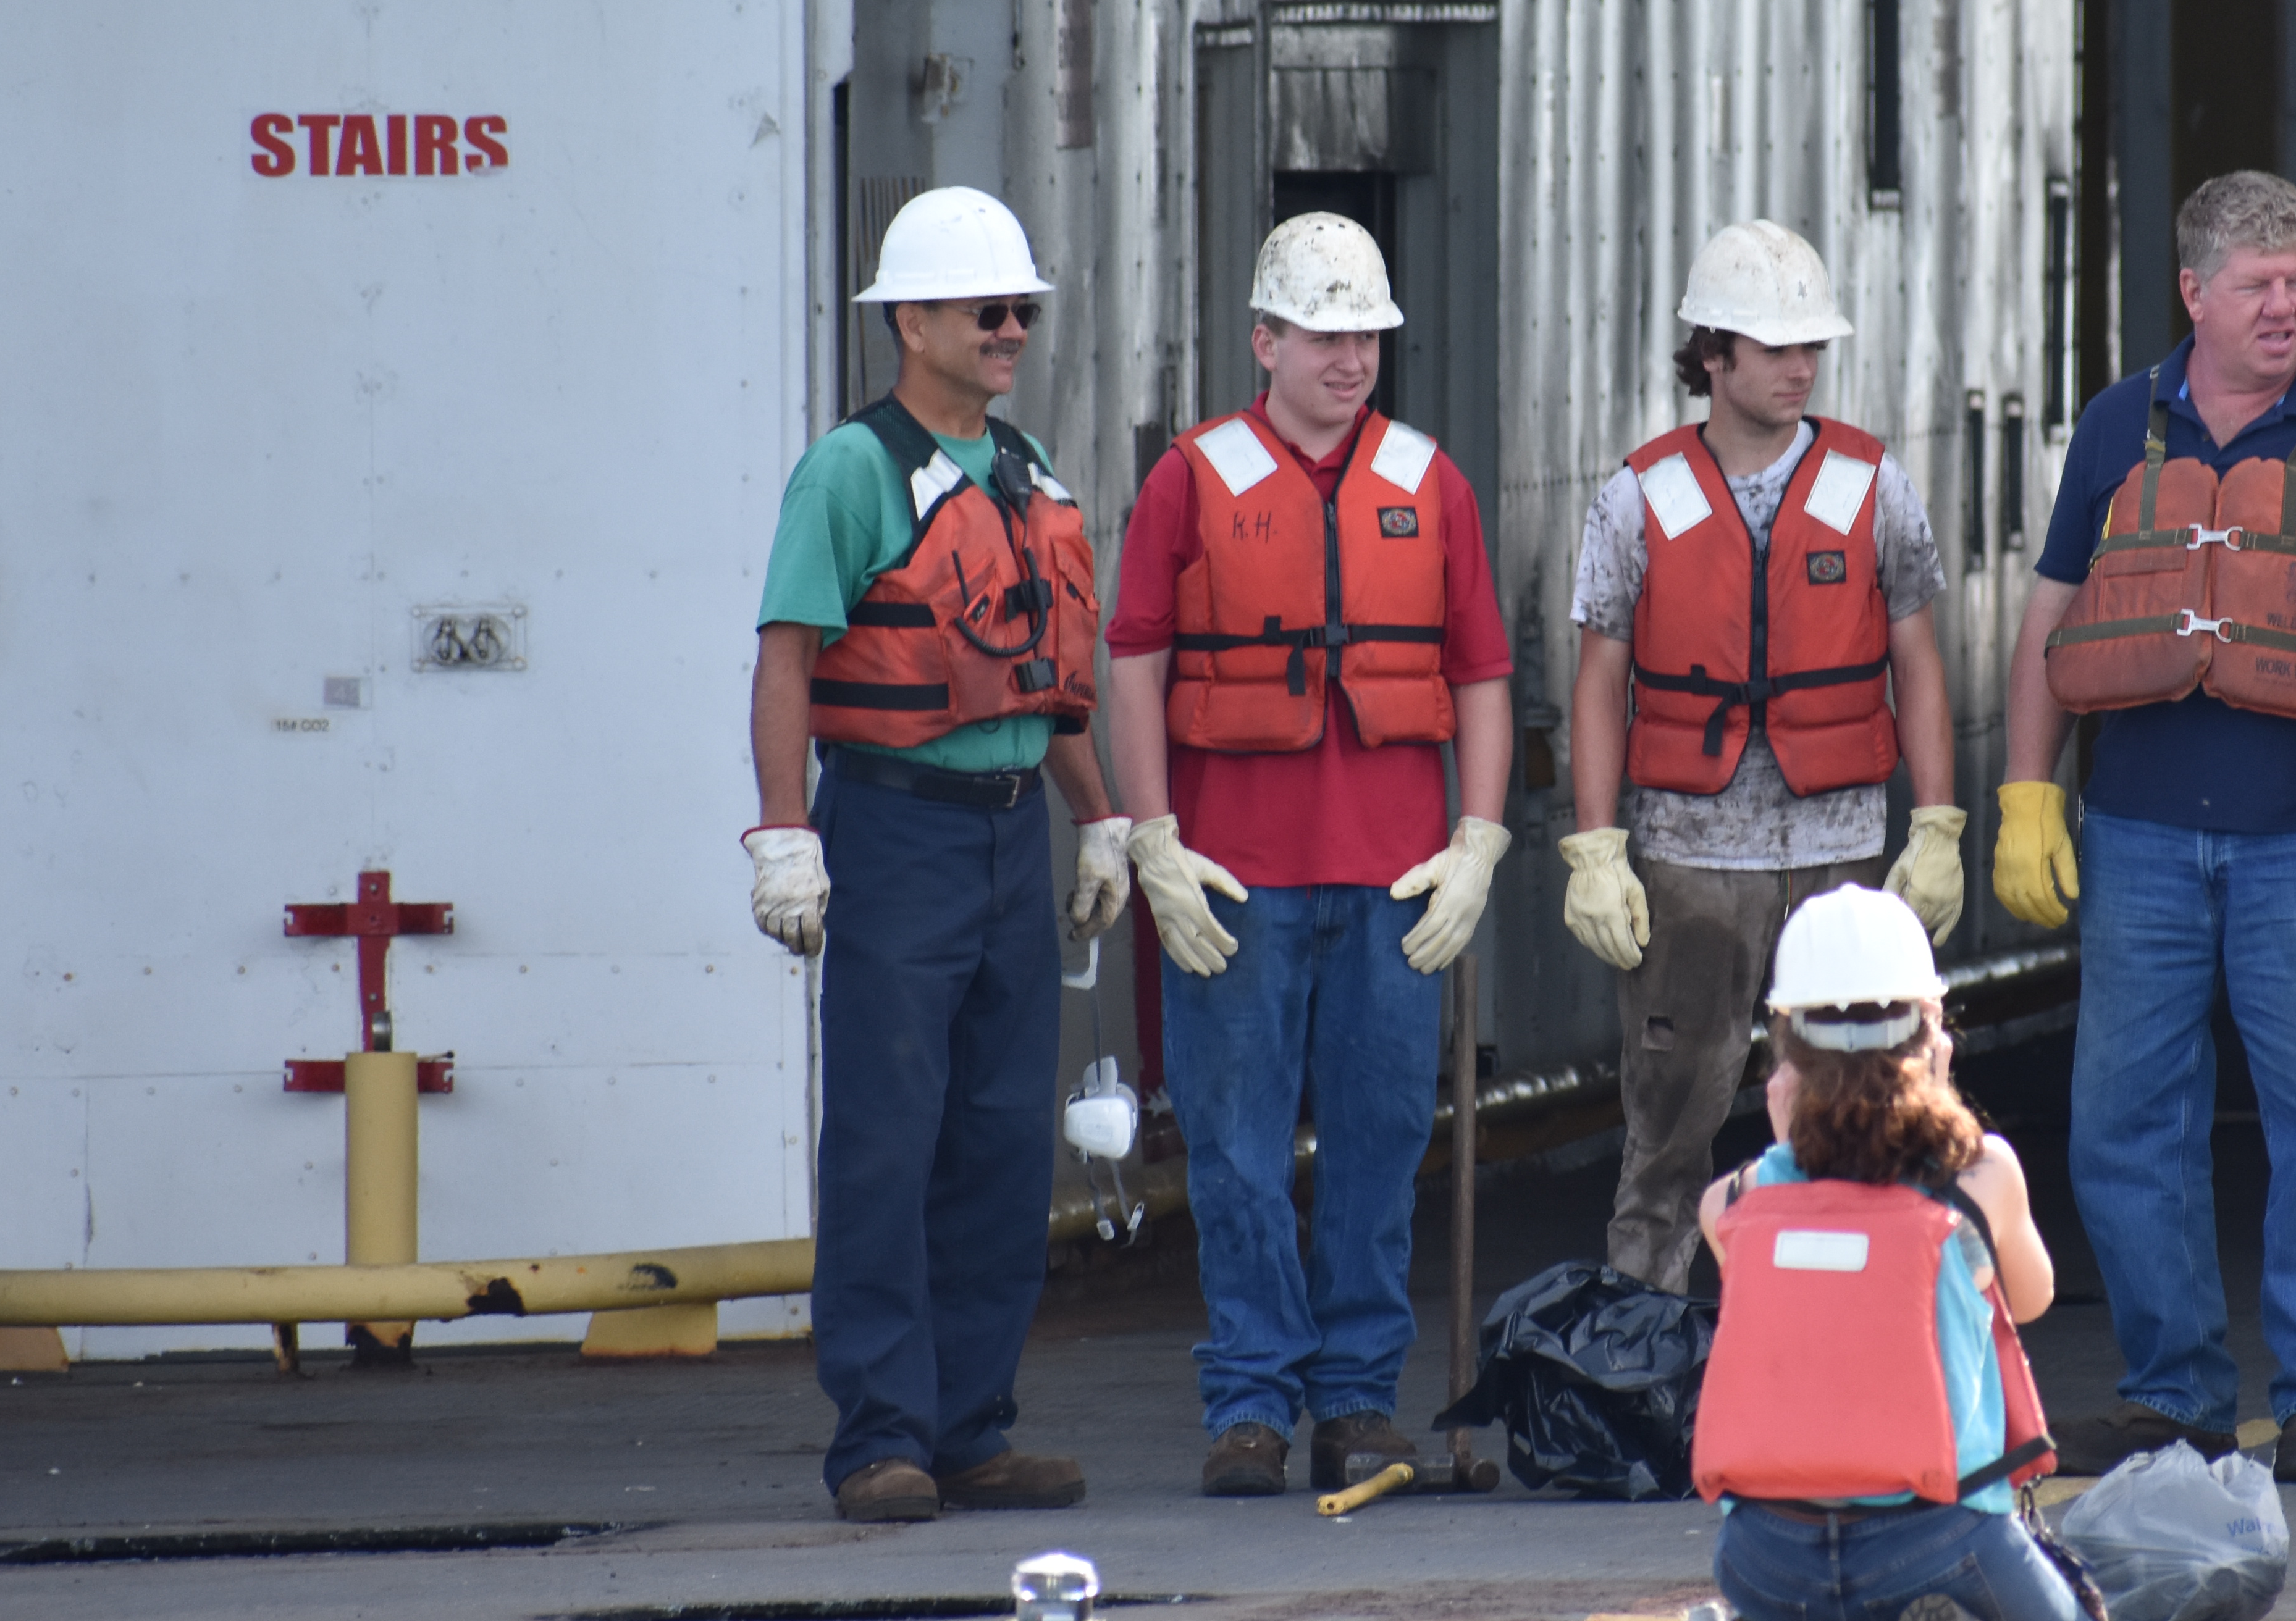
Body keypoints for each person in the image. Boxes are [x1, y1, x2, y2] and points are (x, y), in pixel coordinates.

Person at [1993, 170, 2296, 1488]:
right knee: (2122, 1122)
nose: (2283, 307)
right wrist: (2028, 792)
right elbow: (2049, 618)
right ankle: (2173, 1392)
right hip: (2142, 838)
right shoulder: (2117, 427)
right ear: (2193, 293)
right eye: (2258, 285)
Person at [1103, 212, 1517, 1496]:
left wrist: (1479, 839)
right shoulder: (1189, 478)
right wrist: (1152, 834)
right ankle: (1249, 1401)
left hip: (1396, 877)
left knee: (1383, 1137)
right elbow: (1132, 664)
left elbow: (1483, 674)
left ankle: (1354, 1397)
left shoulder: (1432, 481)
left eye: (1369, 335)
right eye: (1327, 333)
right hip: (1234, 875)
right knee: (1231, 1143)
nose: (1352, 357)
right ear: (1265, 340)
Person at [743, 188, 1131, 1523]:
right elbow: (788, 654)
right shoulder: (851, 471)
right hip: (898, 829)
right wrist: (786, 832)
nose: (1013, 327)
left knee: (1002, 1142)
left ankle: (972, 1425)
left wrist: (1107, 816)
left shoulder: (1026, 469)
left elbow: (1042, 681)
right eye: (988, 308)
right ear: (911, 321)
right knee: (887, 1139)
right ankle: (881, 1436)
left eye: (1022, 307)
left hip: (1012, 833)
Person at [1558, 221, 1962, 1292]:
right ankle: (1642, 1359)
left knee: (1867, 1125)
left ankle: (1864, 1349)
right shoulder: (1638, 497)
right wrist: (1596, 849)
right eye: (1775, 347)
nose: (1800, 367)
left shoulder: (1873, 486)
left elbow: (1918, 661)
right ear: (1712, 355)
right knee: (1667, 1141)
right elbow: (1599, 678)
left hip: (1839, 862)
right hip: (1689, 864)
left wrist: (1937, 826)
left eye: (1811, 348)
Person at [1690, 885, 2133, 1621]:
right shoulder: (1980, 1183)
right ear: (1932, 1037)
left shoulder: (1731, 1206)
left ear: (1784, 1054)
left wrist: (1786, 1151)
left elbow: (1786, 1302)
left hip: (1764, 1560)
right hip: (1937, 1551)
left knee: (1791, 1537)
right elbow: (2033, 1299)